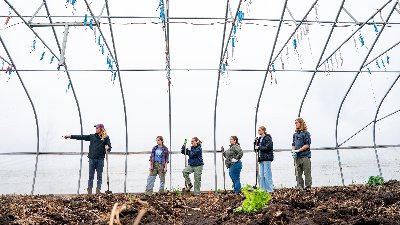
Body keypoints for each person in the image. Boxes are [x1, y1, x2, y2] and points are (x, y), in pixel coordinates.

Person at [64, 124, 111, 194]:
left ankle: (98, 191)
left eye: (97, 128)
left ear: (101, 129)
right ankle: (89, 192)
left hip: (100, 159)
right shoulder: (92, 136)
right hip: (92, 159)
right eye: (96, 128)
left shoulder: (106, 138)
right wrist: (70, 136)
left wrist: (108, 148)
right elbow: (81, 137)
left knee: (99, 177)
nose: (96, 129)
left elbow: (109, 147)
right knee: (91, 176)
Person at [291, 117, 312, 189]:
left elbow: (307, 145)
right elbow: (293, 144)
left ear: (301, 123)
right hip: (297, 157)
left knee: (307, 173)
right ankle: (300, 186)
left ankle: (308, 187)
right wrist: (293, 151)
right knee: (298, 173)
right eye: (295, 123)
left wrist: (299, 150)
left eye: (297, 123)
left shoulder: (306, 133)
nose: (295, 124)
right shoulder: (295, 135)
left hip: (305, 156)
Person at [254, 126, 274, 192]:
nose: (258, 131)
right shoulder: (259, 139)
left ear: (263, 130)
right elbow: (256, 149)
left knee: (267, 174)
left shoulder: (268, 138)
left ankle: (269, 190)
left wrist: (259, 147)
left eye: (259, 130)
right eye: (258, 130)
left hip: (267, 158)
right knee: (261, 175)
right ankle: (262, 189)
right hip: (261, 158)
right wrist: (255, 143)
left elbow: (268, 147)